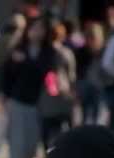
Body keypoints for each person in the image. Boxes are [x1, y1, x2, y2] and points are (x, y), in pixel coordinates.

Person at [1, 15, 55, 158]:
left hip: (37, 104)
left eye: (41, 28)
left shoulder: (48, 52)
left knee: (31, 145)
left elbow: (44, 71)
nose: (36, 32)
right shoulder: (18, 48)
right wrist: (5, 97)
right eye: (34, 28)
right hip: (17, 101)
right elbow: (6, 75)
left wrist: (24, 61)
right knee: (16, 143)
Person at [40, 18, 78, 146]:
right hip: (64, 98)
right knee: (63, 137)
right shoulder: (66, 53)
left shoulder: (42, 53)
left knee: (46, 137)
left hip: (46, 101)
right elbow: (72, 77)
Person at [75, 21, 107, 125]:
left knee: (97, 116)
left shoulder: (104, 51)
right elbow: (79, 71)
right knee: (85, 116)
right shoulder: (81, 51)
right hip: (86, 86)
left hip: (98, 87)